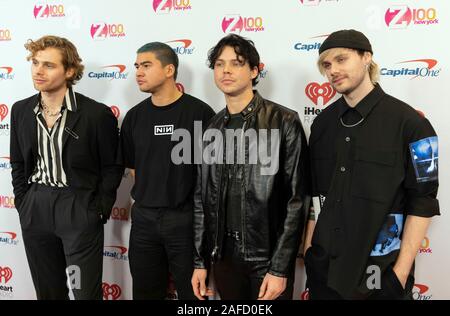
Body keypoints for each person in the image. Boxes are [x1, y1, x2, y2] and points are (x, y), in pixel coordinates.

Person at [305, 29, 440, 299]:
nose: (333, 71)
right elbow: (315, 196)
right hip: (324, 271)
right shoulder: (322, 125)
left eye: (341, 60)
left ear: (366, 57)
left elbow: (423, 202)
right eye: (327, 65)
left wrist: (400, 274)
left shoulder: (412, 125)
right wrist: (310, 250)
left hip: (380, 273)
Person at [191, 34, 310, 300]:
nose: (226, 70)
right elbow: (201, 198)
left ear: (254, 70)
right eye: (220, 64)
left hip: (265, 258)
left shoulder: (284, 121)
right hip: (223, 257)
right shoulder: (212, 127)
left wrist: (280, 268)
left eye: (236, 63)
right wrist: (200, 261)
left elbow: (296, 200)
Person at [10, 35, 122, 300]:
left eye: (48, 65)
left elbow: (112, 166)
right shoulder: (21, 110)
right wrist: (23, 202)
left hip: (78, 209)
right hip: (36, 207)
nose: (38, 70)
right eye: (35, 62)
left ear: (69, 71)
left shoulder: (96, 114)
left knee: (84, 293)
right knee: (48, 292)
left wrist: (97, 210)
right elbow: (17, 161)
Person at [119, 42, 215, 300]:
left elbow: (213, 175)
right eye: (137, 66)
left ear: (170, 69)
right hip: (144, 221)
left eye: (146, 65)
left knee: (193, 296)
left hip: (186, 221)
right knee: (145, 292)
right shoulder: (134, 117)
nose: (138, 71)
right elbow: (135, 169)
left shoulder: (201, 113)